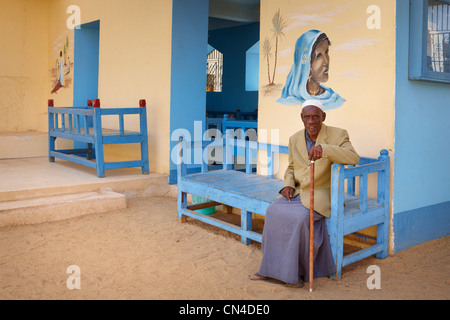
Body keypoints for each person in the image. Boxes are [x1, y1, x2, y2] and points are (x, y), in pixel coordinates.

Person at [250, 99, 359, 288]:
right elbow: (291, 167)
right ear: (301, 118)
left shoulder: (338, 134)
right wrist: (288, 184)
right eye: (307, 117)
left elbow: (353, 157)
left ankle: (295, 275)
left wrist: (324, 149)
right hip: (298, 193)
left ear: (323, 117)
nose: (311, 121)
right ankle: (268, 270)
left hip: (322, 194)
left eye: (315, 117)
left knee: (299, 219)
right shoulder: (294, 138)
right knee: (272, 211)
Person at [277, 30, 345, 110]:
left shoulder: (334, 98)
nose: (326, 61)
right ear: (305, 63)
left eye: (326, 52)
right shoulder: (290, 100)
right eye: (319, 55)